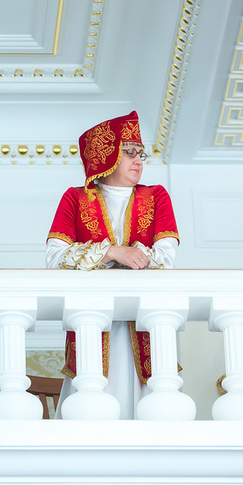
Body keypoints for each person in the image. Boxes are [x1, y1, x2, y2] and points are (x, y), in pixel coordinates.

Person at [45, 111, 180, 419]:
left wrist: (113, 257)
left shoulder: (156, 196)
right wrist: (112, 253)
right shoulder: (75, 198)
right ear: (104, 156)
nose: (138, 160)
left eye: (140, 153)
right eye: (129, 152)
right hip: (91, 320)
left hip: (143, 322)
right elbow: (55, 258)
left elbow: (165, 259)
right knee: (88, 407)